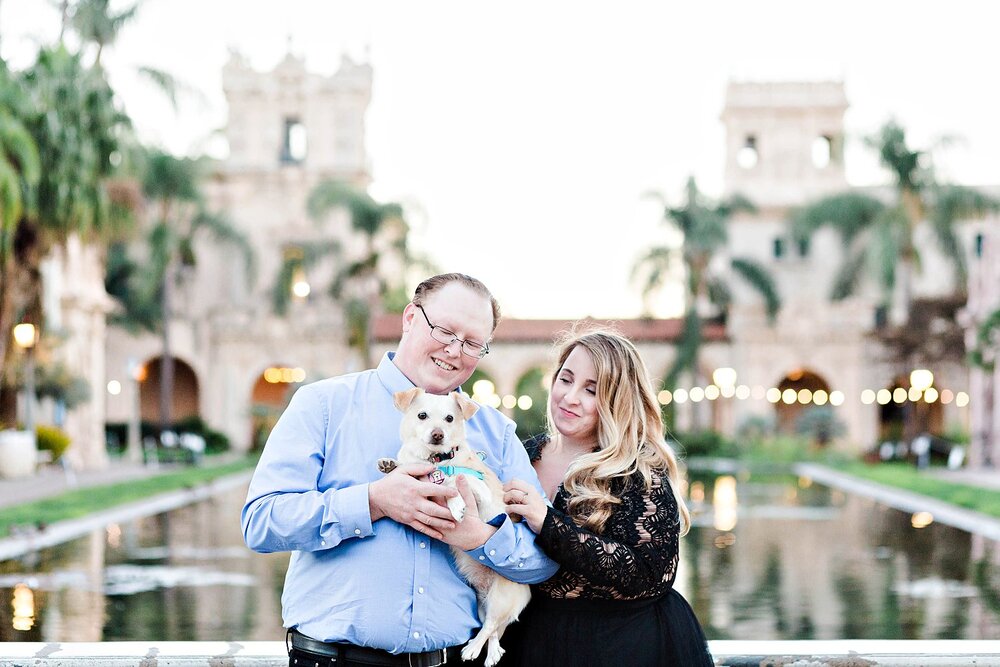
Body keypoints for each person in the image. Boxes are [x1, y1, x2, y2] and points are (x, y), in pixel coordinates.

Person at [241, 273, 558, 667]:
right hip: (335, 661)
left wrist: (480, 537)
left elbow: (544, 558)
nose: (454, 350)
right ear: (410, 317)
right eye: (443, 330)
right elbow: (261, 522)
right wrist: (373, 501)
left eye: (473, 342)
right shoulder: (323, 405)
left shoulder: (496, 433)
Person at [501, 328, 714, 667]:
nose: (570, 397)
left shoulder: (637, 469)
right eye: (565, 379)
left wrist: (546, 521)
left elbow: (650, 573)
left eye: (592, 390)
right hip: (532, 642)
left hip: (622, 645)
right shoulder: (519, 456)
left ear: (618, 400)